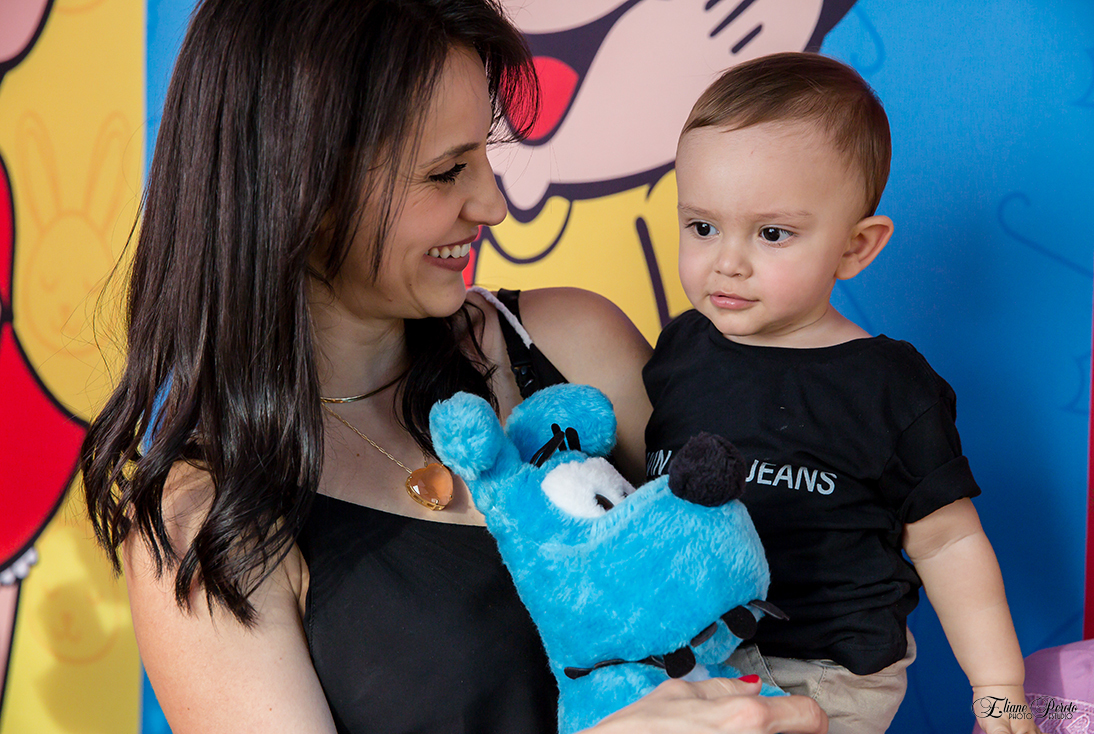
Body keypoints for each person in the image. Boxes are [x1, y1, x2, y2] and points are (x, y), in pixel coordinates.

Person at [79, 1, 828, 733]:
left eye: (484, 156)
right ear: (300, 189)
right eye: (446, 172)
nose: (492, 205)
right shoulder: (207, 520)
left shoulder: (569, 343)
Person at [643, 52, 1039, 734]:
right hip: (690, 656)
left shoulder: (887, 385)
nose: (727, 261)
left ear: (855, 247)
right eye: (702, 227)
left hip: (822, 670)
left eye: (772, 234)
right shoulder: (681, 350)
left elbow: (948, 544)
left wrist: (998, 687)